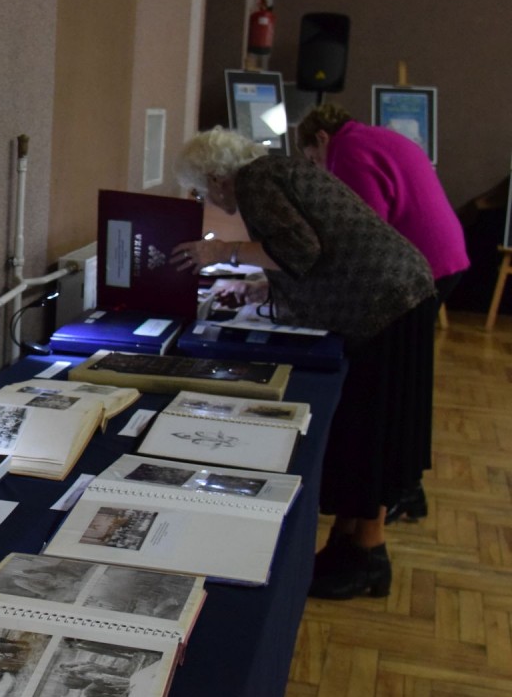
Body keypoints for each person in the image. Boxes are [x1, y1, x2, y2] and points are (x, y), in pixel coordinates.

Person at [170, 126, 436, 600]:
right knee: (364, 427)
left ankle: (368, 556)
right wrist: (258, 287)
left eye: (202, 190)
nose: (208, 199)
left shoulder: (255, 181)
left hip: (385, 303)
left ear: (216, 178)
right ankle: (348, 545)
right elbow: (311, 246)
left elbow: (301, 249)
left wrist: (221, 251)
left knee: (372, 430)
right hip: (395, 295)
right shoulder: (275, 169)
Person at [296, 102, 468, 522]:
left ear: (321, 138)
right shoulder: (373, 137)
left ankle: (394, 489)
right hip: (443, 258)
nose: (319, 169)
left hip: (420, 269)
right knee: (410, 380)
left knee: (396, 382)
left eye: (313, 159)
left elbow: (364, 229)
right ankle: (406, 486)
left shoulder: (348, 151)